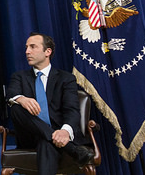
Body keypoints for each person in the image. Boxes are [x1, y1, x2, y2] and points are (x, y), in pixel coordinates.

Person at [6, 32, 94, 175]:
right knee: (16, 108)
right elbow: (11, 94)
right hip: (29, 136)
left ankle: (54, 137)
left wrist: (65, 131)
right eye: (26, 47)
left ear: (48, 51)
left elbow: (71, 110)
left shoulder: (66, 78)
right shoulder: (19, 77)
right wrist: (22, 99)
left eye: (32, 47)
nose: (27, 51)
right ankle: (72, 149)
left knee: (46, 142)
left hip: (58, 132)